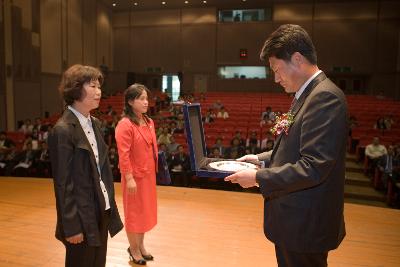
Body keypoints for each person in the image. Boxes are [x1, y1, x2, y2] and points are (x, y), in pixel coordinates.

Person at [225, 24, 347, 266]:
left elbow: (313, 166)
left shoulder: (324, 97)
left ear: (297, 59)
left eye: (277, 69)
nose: (276, 78)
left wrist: (259, 176)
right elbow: (295, 148)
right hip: (296, 220)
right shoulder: (306, 94)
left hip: (305, 224)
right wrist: (261, 159)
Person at [48, 64, 123, 267]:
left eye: (99, 86)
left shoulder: (95, 124)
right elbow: (63, 184)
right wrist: (71, 226)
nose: (99, 91)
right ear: (75, 88)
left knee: (98, 263)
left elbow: (101, 173)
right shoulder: (63, 130)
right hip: (80, 216)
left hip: (101, 210)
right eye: (92, 86)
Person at [115, 83, 158, 265]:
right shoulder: (125, 125)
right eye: (141, 98)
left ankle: (140, 245)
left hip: (148, 175)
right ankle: (133, 249)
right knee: (134, 213)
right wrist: (129, 177)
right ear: (131, 102)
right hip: (133, 178)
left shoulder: (149, 122)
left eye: (146, 98)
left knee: (145, 212)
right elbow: (123, 154)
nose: (146, 102)